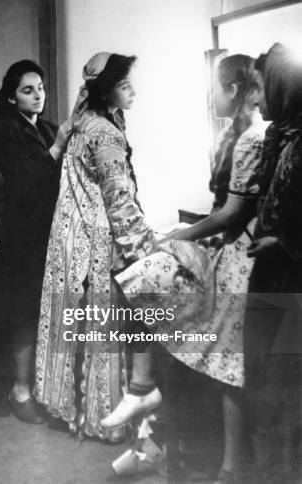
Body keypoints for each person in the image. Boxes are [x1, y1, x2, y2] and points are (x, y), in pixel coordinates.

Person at [113, 54, 266, 481]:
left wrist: (182, 236)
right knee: (143, 274)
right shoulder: (237, 134)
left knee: (223, 360)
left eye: (215, 87)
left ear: (233, 90)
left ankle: (150, 404)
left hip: (240, 252)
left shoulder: (253, 138)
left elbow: (231, 214)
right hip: (228, 240)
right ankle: (146, 400)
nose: (211, 95)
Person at [35, 52, 156, 439]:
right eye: (124, 85)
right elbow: (119, 201)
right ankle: (107, 414)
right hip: (97, 239)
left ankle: (74, 408)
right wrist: (147, 247)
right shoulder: (102, 132)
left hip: (70, 236)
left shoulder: (84, 122)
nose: (133, 91)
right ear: (107, 91)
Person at [0, 60, 71, 424]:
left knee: (51, 313)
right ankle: (20, 390)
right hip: (23, 238)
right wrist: (58, 147)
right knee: (25, 313)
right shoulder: (1, 131)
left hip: (53, 233)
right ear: (10, 97)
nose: (38, 96)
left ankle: (49, 390)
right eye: (27, 90)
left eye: (41, 88)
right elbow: (26, 181)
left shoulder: (49, 127)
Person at [243, 43, 302, 484]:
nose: (257, 99)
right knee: (262, 384)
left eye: (263, 89)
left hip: (291, 282)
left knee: (283, 392)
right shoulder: (281, 136)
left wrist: (283, 245)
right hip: (271, 277)